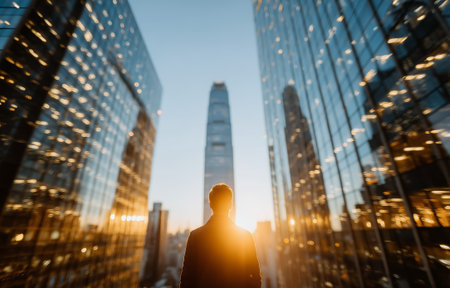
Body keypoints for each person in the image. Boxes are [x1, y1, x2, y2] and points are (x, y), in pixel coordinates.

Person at [179, 183, 261, 288]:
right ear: (230, 204)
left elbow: (187, 279)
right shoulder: (245, 236)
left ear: (210, 204)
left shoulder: (195, 236)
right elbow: (255, 278)